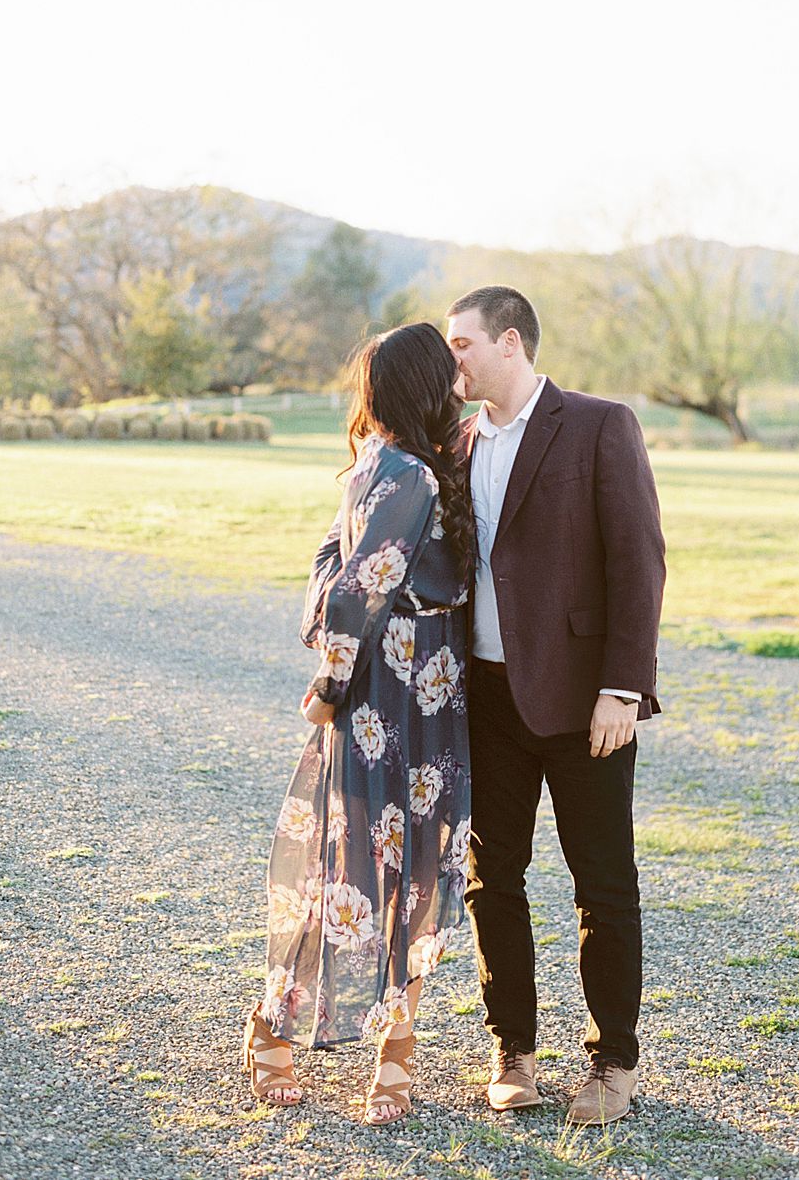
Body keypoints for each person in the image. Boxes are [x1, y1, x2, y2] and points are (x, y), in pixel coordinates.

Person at [241, 321, 476, 1125]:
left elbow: (328, 563)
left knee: (411, 870)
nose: (461, 380)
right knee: (359, 871)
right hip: (388, 698)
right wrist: (331, 682)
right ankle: (275, 1025)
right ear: (427, 385)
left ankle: (396, 1046)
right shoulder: (404, 471)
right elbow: (347, 586)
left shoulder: (402, 463)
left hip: (431, 692)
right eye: (449, 369)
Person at [444, 284, 666, 1127]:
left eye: (463, 344)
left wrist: (622, 687)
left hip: (583, 703)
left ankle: (613, 1062)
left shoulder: (600, 425)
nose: (453, 360)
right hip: (485, 699)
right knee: (491, 879)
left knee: (602, 883)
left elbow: (638, 559)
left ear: (509, 342)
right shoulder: (456, 442)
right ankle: (514, 1051)